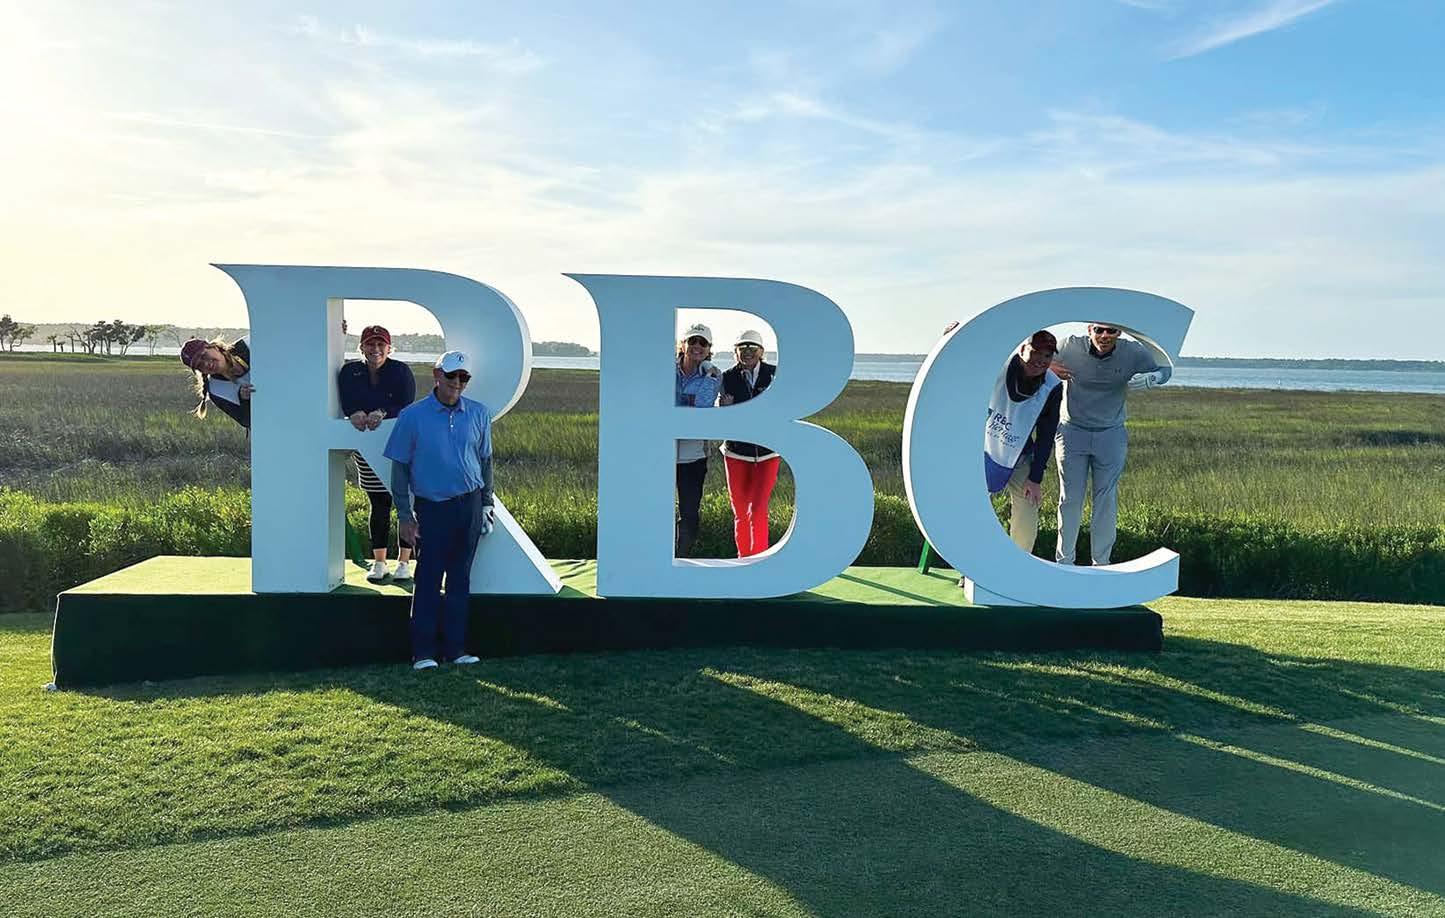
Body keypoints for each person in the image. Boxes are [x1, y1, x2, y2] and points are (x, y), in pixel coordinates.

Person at [384, 350, 495, 670]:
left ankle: (456, 649)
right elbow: (400, 468)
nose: (457, 382)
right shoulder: (412, 416)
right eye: (451, 375)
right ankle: (423, 652)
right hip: (432, 508)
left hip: (469, 506)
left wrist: (487, 502)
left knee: (460, 579)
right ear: (436, 375)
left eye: (463, 377)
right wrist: (405, 515)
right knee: (429, 579)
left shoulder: (479, 413)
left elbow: (486, 461)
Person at [1051, 322, 1171, 566]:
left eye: (1111, 331)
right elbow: (1033, 358)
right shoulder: (1069, 346)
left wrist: (1155, 377)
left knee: (1105, 500)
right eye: (1099, 330)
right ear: (1089, 330)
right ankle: (1064, 562)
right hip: (1072, 431)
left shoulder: (1133, 351)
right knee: (1070, 499)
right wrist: (1049, 367)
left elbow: (1166, 366)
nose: (1104, 336)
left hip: (1111, 434)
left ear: (1119, 332)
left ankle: (1102, 564)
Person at [338, 325, 418, 582]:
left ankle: (404, 562)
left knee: (404, 504)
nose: (375, 349)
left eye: (380, 344)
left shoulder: (401, 371)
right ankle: (380, 562)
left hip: (400, 445)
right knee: (379, 503)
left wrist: (382, 412)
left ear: (389, 348)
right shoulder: (349, 372)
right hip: (367, 447)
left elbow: (406, 403)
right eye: (370, 344)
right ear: (361, 347)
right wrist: (354, 412)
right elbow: (346, 400)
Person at [983, 330, 1063, 554]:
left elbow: (1046, 434)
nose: (1041, 360)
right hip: (982, 449)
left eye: (1047, 355)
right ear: (1022, 349)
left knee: (1028, 503)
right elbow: (965, 360)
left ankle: (1018, 561)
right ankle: (970, 561)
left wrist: (1035, 478)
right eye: (1036, 352)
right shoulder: (998, 366)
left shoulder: (1053, 386)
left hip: (1020, 454)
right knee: (971, 504)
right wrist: (951, 334)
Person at [718, 329, 779, 557]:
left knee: (759, 508)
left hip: (768, 453)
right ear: (735, 352)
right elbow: (719, 416)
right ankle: (743, 560)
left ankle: (759, 561)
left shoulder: (775, 375)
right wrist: (723, 409)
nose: (747, 352)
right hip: (736, 452)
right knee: (741, 511)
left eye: (752, 347)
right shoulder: (727, 377)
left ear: (761, 351)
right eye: (742, 348)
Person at [675, 323, 722, 557]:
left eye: (703, 343)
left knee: (689, 512)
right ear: (682, 345)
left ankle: (680, 557)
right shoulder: (665, 371)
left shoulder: (714, 375)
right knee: (657, 509)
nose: (697, 346)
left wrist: (708, 375)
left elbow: (703, 406)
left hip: (693, 458)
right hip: (660, 453)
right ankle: (658, 557)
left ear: (709, 348)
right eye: (692, 341)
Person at [180, 336, 253, 428]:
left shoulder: (249, 344)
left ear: (214, 347)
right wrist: (244, 400)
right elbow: (247, 422)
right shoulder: (216, 391)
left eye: (204, 356)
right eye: (199, 365)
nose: (206, 364)